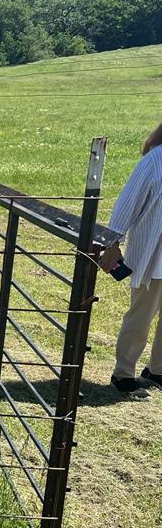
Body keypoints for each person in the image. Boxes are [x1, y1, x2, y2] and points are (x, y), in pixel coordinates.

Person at [109, 121, 162, 395]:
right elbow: (127, 202)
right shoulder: (155, 160)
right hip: (154, 253)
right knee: (141, 316)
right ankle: (123, 373)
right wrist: (112, 240)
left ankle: (157, 370)